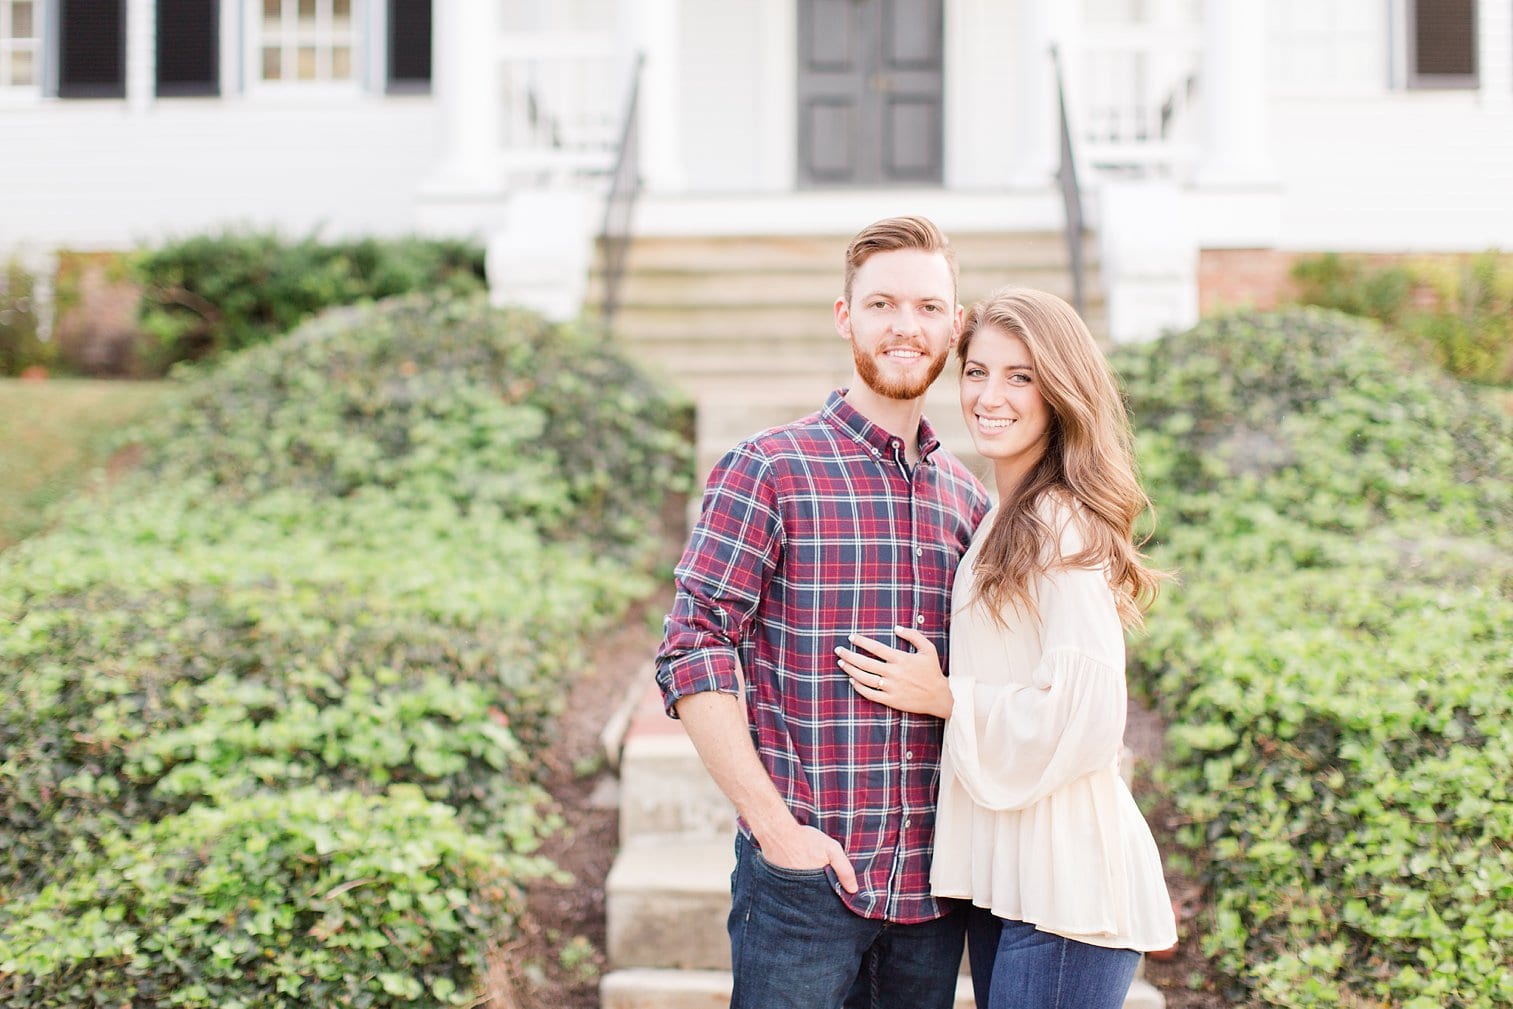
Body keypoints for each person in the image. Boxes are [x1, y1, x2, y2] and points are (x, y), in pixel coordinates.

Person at [654, 215, 992, 1009]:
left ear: (954, 325)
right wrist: (776, 830)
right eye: (881, 305)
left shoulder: (968, 504)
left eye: (928, 307)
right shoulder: (769, 468)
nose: (905, 326)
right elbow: (692, 647)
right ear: (846, 317)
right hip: (804, 885)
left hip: (931, 897)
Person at [835, 287, 1178, 1009]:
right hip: (1015, 885)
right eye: (977, 371)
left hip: (1067, 893)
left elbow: (1086, 713)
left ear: (1060, 391)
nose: (990, 396)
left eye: (1020, 376)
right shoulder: (1002, 517)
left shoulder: (1060, 523)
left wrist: (946, 695)